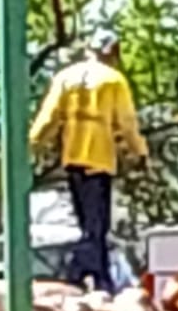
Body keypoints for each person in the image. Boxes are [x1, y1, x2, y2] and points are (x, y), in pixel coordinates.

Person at [29, 37, 148, 292]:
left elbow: (49, 118)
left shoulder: (65, 77)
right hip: (99, 160)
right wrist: (140, 151)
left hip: (73, 159)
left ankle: (102, 278)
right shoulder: (114, 80)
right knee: (96, 227)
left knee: (91, 224)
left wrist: (31, 145)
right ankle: (77, 270)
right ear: (112, 53)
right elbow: (127, 122)